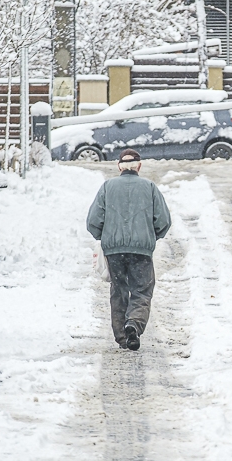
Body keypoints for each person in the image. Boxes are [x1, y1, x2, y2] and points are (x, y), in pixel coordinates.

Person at [87, 149, 172, 350]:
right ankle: (133, 323)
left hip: (114, 251)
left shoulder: (108, 187)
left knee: (119, 290)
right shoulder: (150, 187)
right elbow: (164, 221)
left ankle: (123, 337)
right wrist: (151, 237)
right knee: (142, 290)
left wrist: (106, 237)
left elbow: (93, 221)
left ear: (119, 167)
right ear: (139, 166)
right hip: (141, 251)